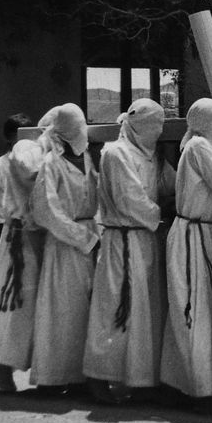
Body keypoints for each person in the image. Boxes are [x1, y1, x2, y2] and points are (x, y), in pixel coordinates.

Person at [83, 99, 166, 404]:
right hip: (123, 243)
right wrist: (159, 214)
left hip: (144, 242)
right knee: (115, 309)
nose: (159, 131)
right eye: (155, 124)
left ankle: (137, 378)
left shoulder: (150, 156)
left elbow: (165, 184)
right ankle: (98, 375)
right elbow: (129, 199)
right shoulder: (116, 154)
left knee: (143, 314)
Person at [161, 98, 212, 402]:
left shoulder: (197, 147)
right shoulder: (199, 147)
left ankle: (192, 382)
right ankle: (199, 389)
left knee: (201, 310)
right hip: (194, 235)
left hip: (203, 234)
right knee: (195, 310)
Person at [29, 104, 99, 393]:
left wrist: (95, 232)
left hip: (90, 240)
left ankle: (81, 376)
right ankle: (53, 376)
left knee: (86, 312)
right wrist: (80, 236)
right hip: (65, 244)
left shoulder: (87, 160)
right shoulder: (52, 163)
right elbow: (45, 210)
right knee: (62, 312)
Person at [0, 139, 46, 393]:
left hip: (38, 235)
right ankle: (3, 363)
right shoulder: (28, 150)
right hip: (22, 237)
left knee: (39, 304)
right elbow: (29, 173)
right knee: (20, 304)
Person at [0, 113, 32, 245]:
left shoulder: (39, 165)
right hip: (4, 229)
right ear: (9, 137)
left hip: (32, 227)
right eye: (19, 136)